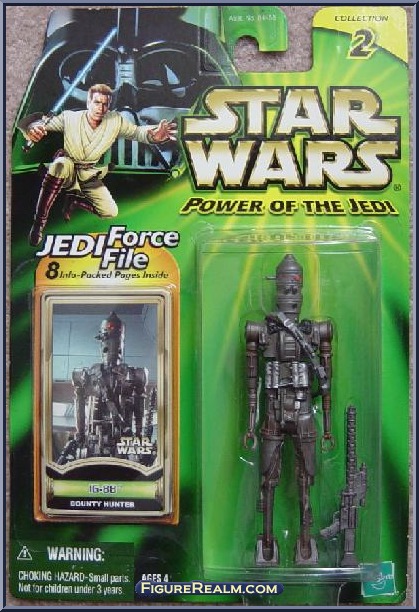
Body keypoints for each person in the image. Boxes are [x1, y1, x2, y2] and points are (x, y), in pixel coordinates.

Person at [19, 83, 177, 246]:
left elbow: (137, 132)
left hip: (88, 173)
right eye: (97, 102)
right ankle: (38, 224)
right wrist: (33, 129)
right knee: (59, 165)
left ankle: (76, 200)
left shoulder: (115, 121)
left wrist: (155, 136)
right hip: (68, 164)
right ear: (88, 102)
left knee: (110, 211)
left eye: (105, 104)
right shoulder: (70, 118)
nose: (100, 108)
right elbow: (41, 123)